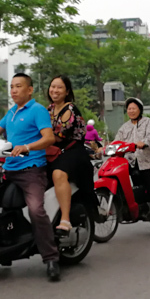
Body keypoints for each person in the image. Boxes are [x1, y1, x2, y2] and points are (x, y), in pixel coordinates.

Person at [0, 73, 59, 281]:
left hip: (31, 170)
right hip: (9, 169)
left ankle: (51, 258)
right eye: (11, 87)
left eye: (18, 86)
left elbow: (49, 138)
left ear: (29, 90)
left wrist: (27, 147)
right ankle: (4, 245)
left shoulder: (37, 110)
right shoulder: (10, 113)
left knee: (36, 209)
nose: (14, 90)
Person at [46, 75, 99, 237]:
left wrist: (36, 141)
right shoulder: (48, 109)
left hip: (72, 151)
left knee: (58, 174)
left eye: (59, 87)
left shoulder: (69, 110)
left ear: (67, 91)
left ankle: (65, 219)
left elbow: (56, 137)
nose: (55, 90)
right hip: (51, 150)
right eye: (53, 86)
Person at [114, 98, 150, 236]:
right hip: (130, 162)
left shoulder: (147, 122)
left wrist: (143, 143)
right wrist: (105, 148)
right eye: (129, 109)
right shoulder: (125, 126)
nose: (131, 111)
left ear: (140, 110)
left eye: (134, 108)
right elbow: (117, 140)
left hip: (147, 162)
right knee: (134, 189)